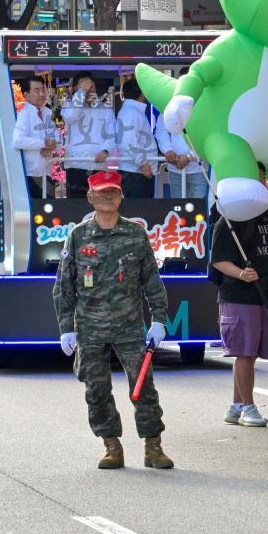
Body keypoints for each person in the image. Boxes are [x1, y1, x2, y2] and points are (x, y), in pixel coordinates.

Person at [52, 170, 173, 470]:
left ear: (121, 196)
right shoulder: (78, 235)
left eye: (113, 192)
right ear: (90, 196)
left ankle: (153, 446)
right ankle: (111, 445)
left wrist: (159, 318)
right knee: (96, 388)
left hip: (129, 325)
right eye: (101, 192)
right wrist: (66, 328)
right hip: (90, 327)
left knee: (143, 386)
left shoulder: (135, 234)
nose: (107, 197)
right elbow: (64, 285)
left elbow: (152, 280)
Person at [211, 181, 268, 428]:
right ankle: (248, 408)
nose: (262, 184)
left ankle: (236, 406)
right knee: (245, 353)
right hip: (238, 295)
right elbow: (219, 260)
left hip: (266, 292)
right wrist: (241, 274)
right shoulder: (229, 218)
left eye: (263, 179)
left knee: (250, 355)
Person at [61, 75, 116, 198]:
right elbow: (71, 116)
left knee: (100, 206)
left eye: (92, 85)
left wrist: (106, 151)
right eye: (85, 85)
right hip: (76, 167)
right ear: (76, 89)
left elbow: (111, 136)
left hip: (98, 167)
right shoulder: (68, 107)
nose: (89, 88)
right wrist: (81, 92)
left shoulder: (106, 110)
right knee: (75, 208)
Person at [12, 76, 60, 198]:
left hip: (47, 173)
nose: (41, 94)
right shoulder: (24, 115)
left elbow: (59, 140)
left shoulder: (47, 113)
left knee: (49, 210)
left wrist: (49, 146)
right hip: (30, 174)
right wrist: (44, 143)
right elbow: (18, 140)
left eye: (43, 90)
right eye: (36, 90)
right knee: (34, 212)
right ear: (26, 95)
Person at [114, 79, 158, 198]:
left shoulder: (131, 111)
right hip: (135, 174)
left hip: (137, 172)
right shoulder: (131, 112)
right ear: (141, 93)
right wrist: (143, 163)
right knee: (138, 212)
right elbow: (129, 141)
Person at [155, 122, 208, 199]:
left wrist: (190, 155)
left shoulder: (202, 109)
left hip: (199, 169)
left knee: (199, 208)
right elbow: (161, 130)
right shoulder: (167, 109)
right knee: (179, 207)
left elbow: (207, 134)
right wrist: (167, 149)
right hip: (175, 169)